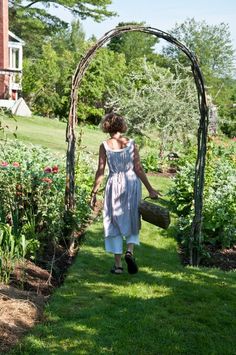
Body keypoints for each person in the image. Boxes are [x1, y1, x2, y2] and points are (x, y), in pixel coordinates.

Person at [90, 112, 160, 275]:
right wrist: (150, 189)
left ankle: (118, 265)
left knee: (113, 220)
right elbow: (138, 169)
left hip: (114, 183)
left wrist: (94, 192)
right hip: (131, 182)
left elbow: (101, 170)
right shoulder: (131, 143)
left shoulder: (104, 145)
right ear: (122, 125)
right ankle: (129, 251)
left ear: (106, 126)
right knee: (132, 216)